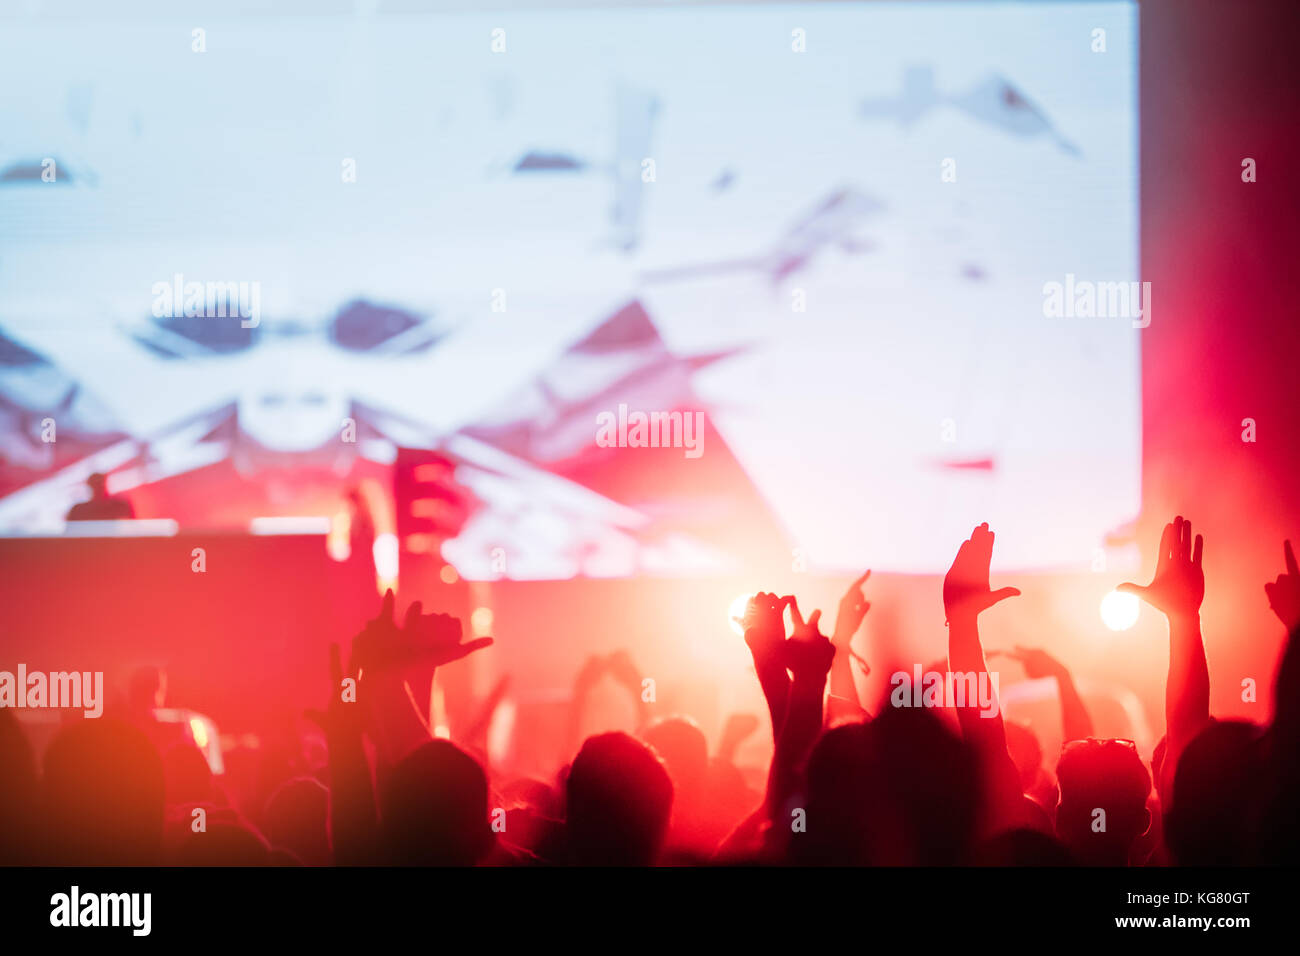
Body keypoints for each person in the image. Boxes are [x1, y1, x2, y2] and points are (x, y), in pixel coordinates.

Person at [65, 471, 134, 521]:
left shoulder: (120, 507)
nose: (97, 487)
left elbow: (131, 529)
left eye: (100, 484)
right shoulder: (78, 510)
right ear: (90, 485)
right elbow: (69, 534)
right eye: (95, 484)